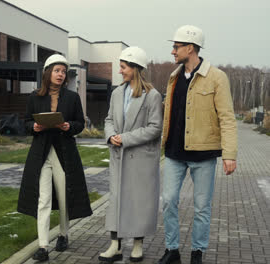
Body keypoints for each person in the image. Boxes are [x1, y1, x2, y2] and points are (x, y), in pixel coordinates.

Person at [158, 25, 237, 264]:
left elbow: (227, 118)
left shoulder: (216, 77)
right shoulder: (173, 77)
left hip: (204, 154)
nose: (172, 51)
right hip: (174, 153)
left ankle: (197, 253)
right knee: (169, 200)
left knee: (202, 207)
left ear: (190, 48)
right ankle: (172, 250)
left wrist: (229, 154)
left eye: (176, 46)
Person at [17, 54, 93, 262]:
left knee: (64, 196)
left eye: (63, 72)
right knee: (43, 200)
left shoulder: (72, 97)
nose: (60, 75)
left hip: (64, 153)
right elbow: (25, 122)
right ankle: (43, 245)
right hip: (41, 154)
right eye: (57, 70)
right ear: (48, 72)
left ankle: (63, 234)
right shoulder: (34, 97)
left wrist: (69, 126)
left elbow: (80, 123)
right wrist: (34, 126)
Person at [100, 46, 163, 263]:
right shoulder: (117, 93)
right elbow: (108, 119)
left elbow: (155, 128)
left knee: (138, 201)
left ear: (135, 68)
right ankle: (115, 246)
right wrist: (110, 136)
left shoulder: (152, 96)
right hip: (119, 156)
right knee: (116, 200)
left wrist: (125, 138)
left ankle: (137, 244)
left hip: (140, 159)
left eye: (123, 67)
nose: (120, 71)